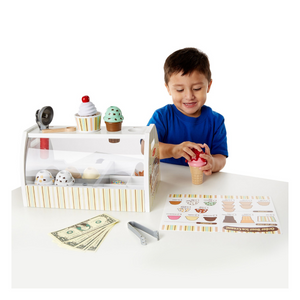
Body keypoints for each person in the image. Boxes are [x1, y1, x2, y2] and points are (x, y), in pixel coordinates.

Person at [145, 47, 228, 176]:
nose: (189, 96)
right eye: (179, 90)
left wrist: (213, 162)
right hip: (167, 182)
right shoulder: (162, 116)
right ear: (168, 89)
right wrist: (174, 150)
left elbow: (221, 157)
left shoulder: (216, 121)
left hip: (203, 183)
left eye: (197, 88)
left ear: (209, 86)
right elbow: (145, 147)